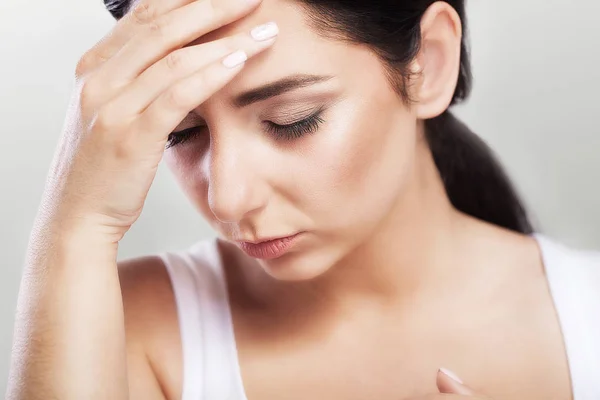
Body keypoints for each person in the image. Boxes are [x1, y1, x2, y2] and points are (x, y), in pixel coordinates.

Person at [5, 0, 600, 398]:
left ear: (429, 64)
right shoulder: (126, 329)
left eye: (292, 120)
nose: (228, 198)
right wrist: (76, 227)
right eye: (181, 133)